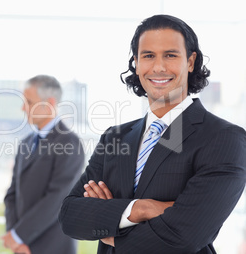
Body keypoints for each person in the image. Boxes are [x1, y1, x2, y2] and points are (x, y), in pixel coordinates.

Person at [58, 14, 246, 254]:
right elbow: (70, 216)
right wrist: (141, 209)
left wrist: (111, 227)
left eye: (170, 55)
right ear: (136, 63)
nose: (158, 67)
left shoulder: (224, 138)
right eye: (148, 56)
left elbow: (186, 235)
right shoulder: (115, 137)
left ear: (190, 62)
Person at [2, 75, 85, 254]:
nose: (23, 108)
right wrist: (14, 237)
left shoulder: (69, 142)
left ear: (50, 103)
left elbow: (58, 199)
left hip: (53, 246)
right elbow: (11, 194)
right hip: (23, 247)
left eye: (29, 102)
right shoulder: (25, 143)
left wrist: (19, 236)